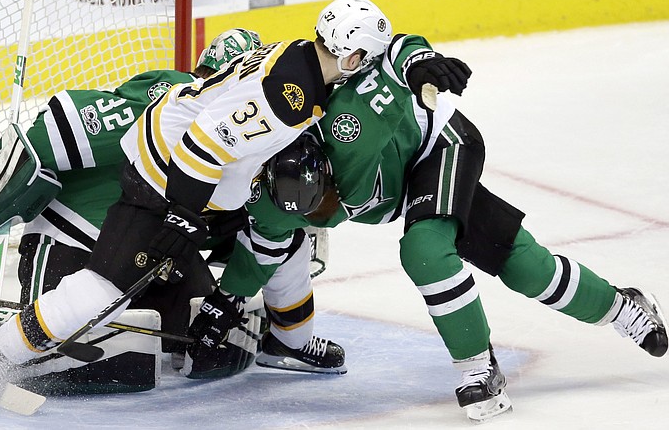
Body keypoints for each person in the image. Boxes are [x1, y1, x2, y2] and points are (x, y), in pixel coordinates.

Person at [187, 30, 669, 422]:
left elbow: (393, 50)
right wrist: (226, 299)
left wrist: (421, 65)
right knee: (526, 267)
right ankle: (621, 306)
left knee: (423, 249)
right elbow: (262, 248)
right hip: (407, 183)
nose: (320, 213)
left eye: (322, 197)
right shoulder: (273, 193)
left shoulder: (346, 123)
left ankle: (477, 367)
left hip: (441, 146)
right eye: (307, 211)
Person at [0, 0, 392, 404]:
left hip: (183, 184)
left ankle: (291, 340)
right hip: (162, 184)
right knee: (102, 292)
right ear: (352, 58)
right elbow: (202, 146)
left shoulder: (300, 56)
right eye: (365, 62)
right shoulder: (286, 97)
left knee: (284, 243)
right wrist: (180, 216)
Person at [0, 28, 271, 394]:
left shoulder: (245, 134)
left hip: (152, 257)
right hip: (73, 239)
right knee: (68, 348)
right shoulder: (172, 94)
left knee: (209, 346)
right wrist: (8, 173)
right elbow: (65, 121)